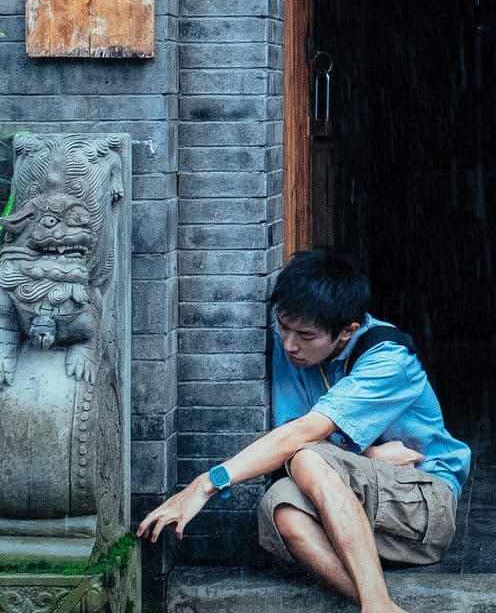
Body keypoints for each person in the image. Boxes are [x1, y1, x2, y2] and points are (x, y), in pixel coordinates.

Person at [137, 249, 471, 613]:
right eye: (284, 326)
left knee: (307, 456)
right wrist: (367, 454)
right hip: (344, 510)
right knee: (282, 507)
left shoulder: (388, 361)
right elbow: (293, 443)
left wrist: (206, 483)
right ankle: (379, 606)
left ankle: (376, 604)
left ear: (347, 332)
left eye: (306, 335)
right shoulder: (292, 347)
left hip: (421, 510)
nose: (289, 344)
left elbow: (302, 437)